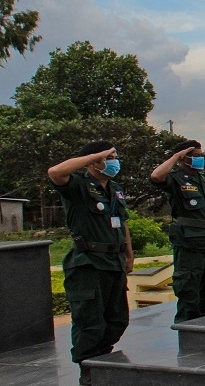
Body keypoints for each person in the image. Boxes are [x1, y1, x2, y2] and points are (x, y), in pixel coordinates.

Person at [47, 141, 134, 386]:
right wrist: (94, 155)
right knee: (89, 320)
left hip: (114, 261)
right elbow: (55, 173)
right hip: (89, 263)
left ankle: (101, 357)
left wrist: (128, 254)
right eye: (111, 157)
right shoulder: (78, 185)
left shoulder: (114, 188)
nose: (115, 161)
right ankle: (88, 369)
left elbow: (121, 221)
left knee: (117, 318)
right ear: (95, 161)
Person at [150, 140, 205, 323]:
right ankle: (187, 330)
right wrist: (176, 156)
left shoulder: (204, 179)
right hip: (190, 241)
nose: (200, 159)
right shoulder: (176, 178)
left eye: (201, 155)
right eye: (195, 156)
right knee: (189, 289)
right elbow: (156, 177)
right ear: (183, 159)